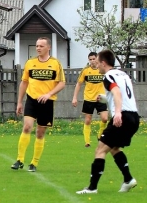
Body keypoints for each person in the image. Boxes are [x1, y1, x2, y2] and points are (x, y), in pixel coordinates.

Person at [76, 49, 139, 194]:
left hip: (122, 116)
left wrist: (117, 113)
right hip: (134, 117)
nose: (96, 66)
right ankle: (128, 179)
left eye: (97, 63)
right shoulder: (123, 74)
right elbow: (123, 94)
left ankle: (92, 188)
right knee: (114, 148)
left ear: (103, 63)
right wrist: (105, 99)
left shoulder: (108, 76)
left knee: (100, 150)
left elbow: (116, 92)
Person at [11, 37, 66, 172]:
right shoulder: (30, 63)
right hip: (32, 100)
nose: (38, 48)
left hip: (47, 102)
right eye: (37, 46)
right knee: (27, 127)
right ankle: (20, 159)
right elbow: (24, 82)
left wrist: (48, 94)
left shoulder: (55, 64)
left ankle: (34, 163)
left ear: (49, 48)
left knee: (40, 133)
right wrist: (19, 102)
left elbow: (62, 83)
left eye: (41, 46)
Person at [72, 52, 108, 148]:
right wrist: (75, 97)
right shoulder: (85, 70)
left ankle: (100, 135)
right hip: (89, 98)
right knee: (88, 120)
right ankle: (87, 142)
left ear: (97, 59)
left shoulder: (102, 69)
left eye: (93, 59)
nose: (92, 61)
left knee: (105, 118)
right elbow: (79, 84)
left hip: (101, 98)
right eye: (90, 59)